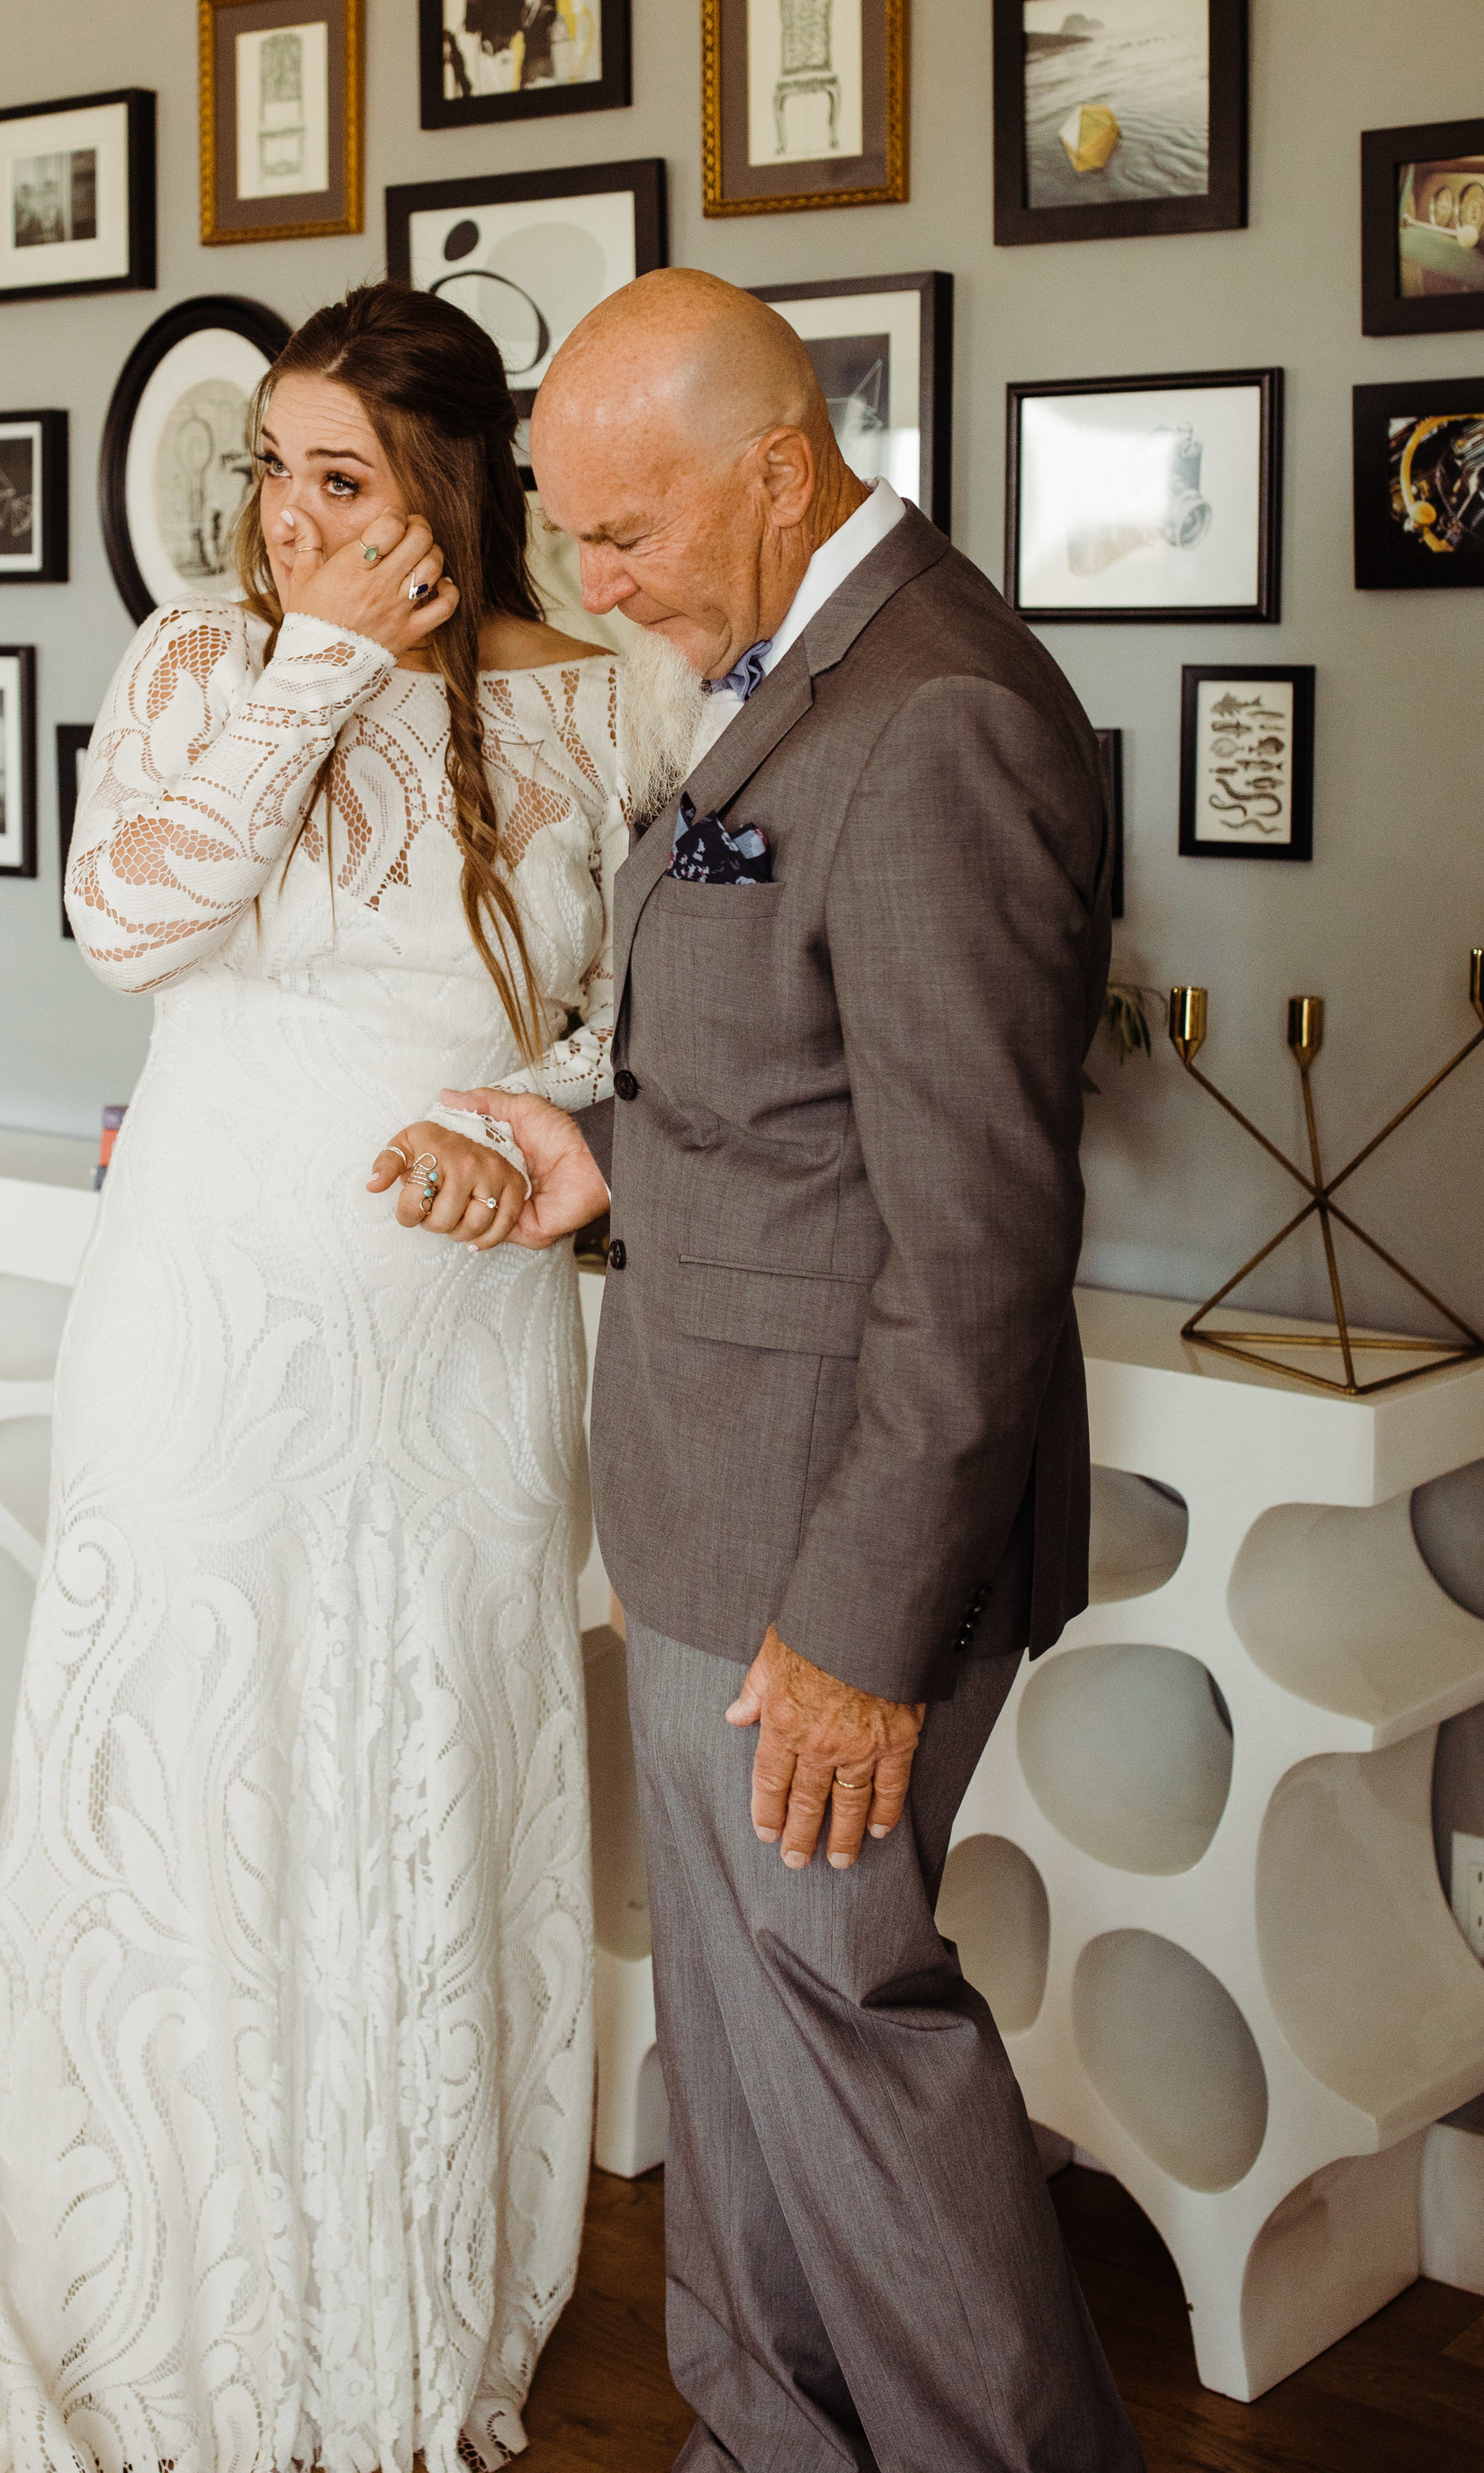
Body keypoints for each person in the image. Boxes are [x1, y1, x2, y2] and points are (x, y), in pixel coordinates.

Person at [0, 284, 630, 2473]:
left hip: (459, 1339)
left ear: (457, 489)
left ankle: (394, 2269)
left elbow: (635, 1022)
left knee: (419, 1765)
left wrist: (539, 1122)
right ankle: (155, 2255)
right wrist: (326, 663)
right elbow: (126, 921)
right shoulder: (198, 664)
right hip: (206, 1310)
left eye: (337, 480)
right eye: (270, 469)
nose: (284, 516)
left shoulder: (603, 709)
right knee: (191, 1751)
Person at [454, 269, 1144, 2473]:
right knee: (743, 2044)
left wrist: (856, 1634)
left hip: (829, 1555)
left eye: (628, 533)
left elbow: (975, 1245)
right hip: (703, 1500)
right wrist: (599, 1161)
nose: (594, 582)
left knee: (840, 2020)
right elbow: (786, 1113)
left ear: (780, 472)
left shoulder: (931, 713)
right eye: (566, 535)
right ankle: (764, 2443)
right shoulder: (777, 682)